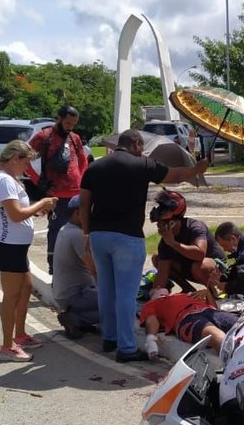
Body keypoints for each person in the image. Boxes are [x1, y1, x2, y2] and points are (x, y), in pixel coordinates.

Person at [79, 129, 210, 364]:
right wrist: (196, 170)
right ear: (136, 144)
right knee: (126, 295)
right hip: (127, 237)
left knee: (106, 289)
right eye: (142, 146)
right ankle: (126, 348)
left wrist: (87, 232)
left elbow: (84, 202)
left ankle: (109, 338)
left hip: (99, 235)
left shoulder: (94, 167)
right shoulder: (142, 164)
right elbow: (175, 175)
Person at [0, 140, 59, 362]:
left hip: (14, 245)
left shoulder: (2, 177)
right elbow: (16, 215)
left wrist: (33, 210)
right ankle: (7, 346)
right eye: (25, 163)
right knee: (11, 296)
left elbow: (12, 212)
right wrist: (42, 203)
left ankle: (20, 335)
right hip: (8, 246)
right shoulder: (4, 181)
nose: (27, 169)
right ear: (15, 158)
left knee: (25, 288)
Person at [28, 104, 89, 274]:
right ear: (59, 119)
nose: (70, 127)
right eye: (68, 123)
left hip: (76, 193)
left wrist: (82, 181)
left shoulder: (74, 138)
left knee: (81, 232)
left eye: (73, 124)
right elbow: (24, 160)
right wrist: (38, 180)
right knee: (56, 231)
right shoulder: (44, 137)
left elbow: (83, 161)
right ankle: (55, 268)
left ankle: (78, 267)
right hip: (56, 195)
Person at [148, 189, 225, 295]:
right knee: (157, 258)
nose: (159, 226)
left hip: (215, 268)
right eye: (158, 223)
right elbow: (162, 274)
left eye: (163, 222)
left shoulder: (195, 227)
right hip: (189, 266)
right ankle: (189, 290)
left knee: (199, 266)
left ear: (172, 223)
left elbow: (199, 255)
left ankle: (213, 292)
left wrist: (174, 244)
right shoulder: (165, 241)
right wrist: (156, 294)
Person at [139, 288, 238, 358]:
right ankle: (234, 360)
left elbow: (214, 309)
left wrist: (208, 294)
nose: (158, 287)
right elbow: (151, 319)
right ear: (151, 295)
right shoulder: (151, 304)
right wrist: (151, 339)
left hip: (208, 310)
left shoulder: (182, 295)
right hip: (185, 318)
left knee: (243, 325)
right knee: (214, 334)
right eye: (155, 287)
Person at [51, 194, 98, 339]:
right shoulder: (77, 235)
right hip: (76, 295)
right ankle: (77, 319)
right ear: (77, 213)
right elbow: (95, 269)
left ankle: (78, 318)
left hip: (66, 294)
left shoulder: (65, 229)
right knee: (117, 305)